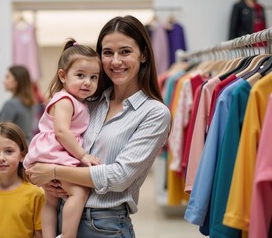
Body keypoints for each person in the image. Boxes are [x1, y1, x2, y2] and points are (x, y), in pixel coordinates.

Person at [26, 15, 171, 238]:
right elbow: (54, 145)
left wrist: (54, 172)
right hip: (61, 215)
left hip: (105, 225)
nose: (115, 61)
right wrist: (44, 177)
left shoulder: (154, 113)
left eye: (125, 52)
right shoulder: (88, 102)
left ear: (143, 54)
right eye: (107, 52)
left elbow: (119, 176)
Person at [23, 39, 102, 238]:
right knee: (79, 192)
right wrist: (83, 155)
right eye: (81, 75)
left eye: (94, 77)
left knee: (50, 200)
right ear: (63, 76)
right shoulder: (65, 100)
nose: (88, 82)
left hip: (51, 153)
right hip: (55, 153)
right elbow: (61, 131)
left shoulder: (74, 99)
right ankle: (68, 235)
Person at [0, 65, 36, 144]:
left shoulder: (11, 104)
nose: (3, 81)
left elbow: (2, 133)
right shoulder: (30, 103)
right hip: (27, 145)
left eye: (7, 77)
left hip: (13, 147)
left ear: (16, 81)